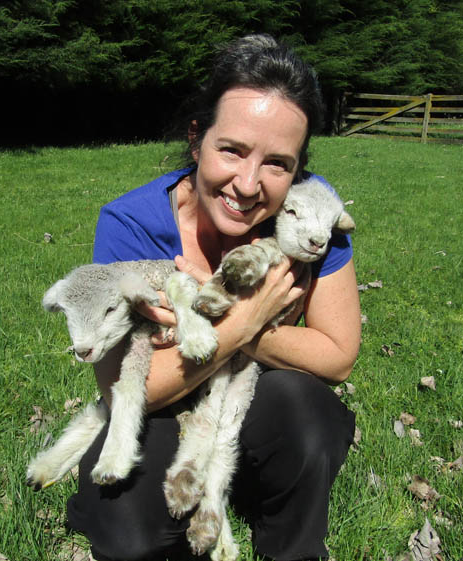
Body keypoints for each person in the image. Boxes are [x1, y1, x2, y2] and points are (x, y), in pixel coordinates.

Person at [64, 34, 361, 561]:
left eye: (277, 162)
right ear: (197, 138)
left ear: (298, 171)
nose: (248, 185)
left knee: (309, 414)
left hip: (261, 401)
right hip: (167, 408)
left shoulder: (313, 214)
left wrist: (220, 331)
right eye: (232, 150)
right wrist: (247, 321)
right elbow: (137, 389)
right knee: (127, 535)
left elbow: (336, 355)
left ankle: (290, 543)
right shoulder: (132, 225)